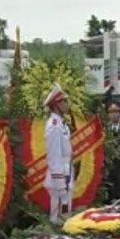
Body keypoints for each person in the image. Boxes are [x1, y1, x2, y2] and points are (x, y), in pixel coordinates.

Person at [44, 84, 74, 224]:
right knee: (58, 216)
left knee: (65, 212)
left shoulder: (62, 124)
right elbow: (54, 155)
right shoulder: (54, 125)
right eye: (64, 101)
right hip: (59, 176)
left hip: (66, 172)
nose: (67, 104)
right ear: (56, 105)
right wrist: (60, 183)